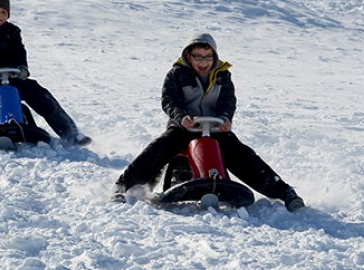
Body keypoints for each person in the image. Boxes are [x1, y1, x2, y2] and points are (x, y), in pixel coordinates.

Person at [112, 32, 305, 212]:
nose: (203, 62)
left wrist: (225, 118)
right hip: (183, 127)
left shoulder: (222, 75)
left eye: (207, 57)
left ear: (214, 57)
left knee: (242, 154)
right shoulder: (177, 74)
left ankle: (283, 191)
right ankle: (123, 185)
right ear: (189, 56)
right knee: (160, 148)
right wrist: (181, 118)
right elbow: (169, 100)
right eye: (198, 57)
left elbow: (228, 101)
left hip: (214, 128)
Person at [0, 0, 91, 148]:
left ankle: (70, 132)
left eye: (3, 12)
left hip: (14, 77)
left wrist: (22, 68)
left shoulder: (13, 31)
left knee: (40, 93)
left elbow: (19, 51)